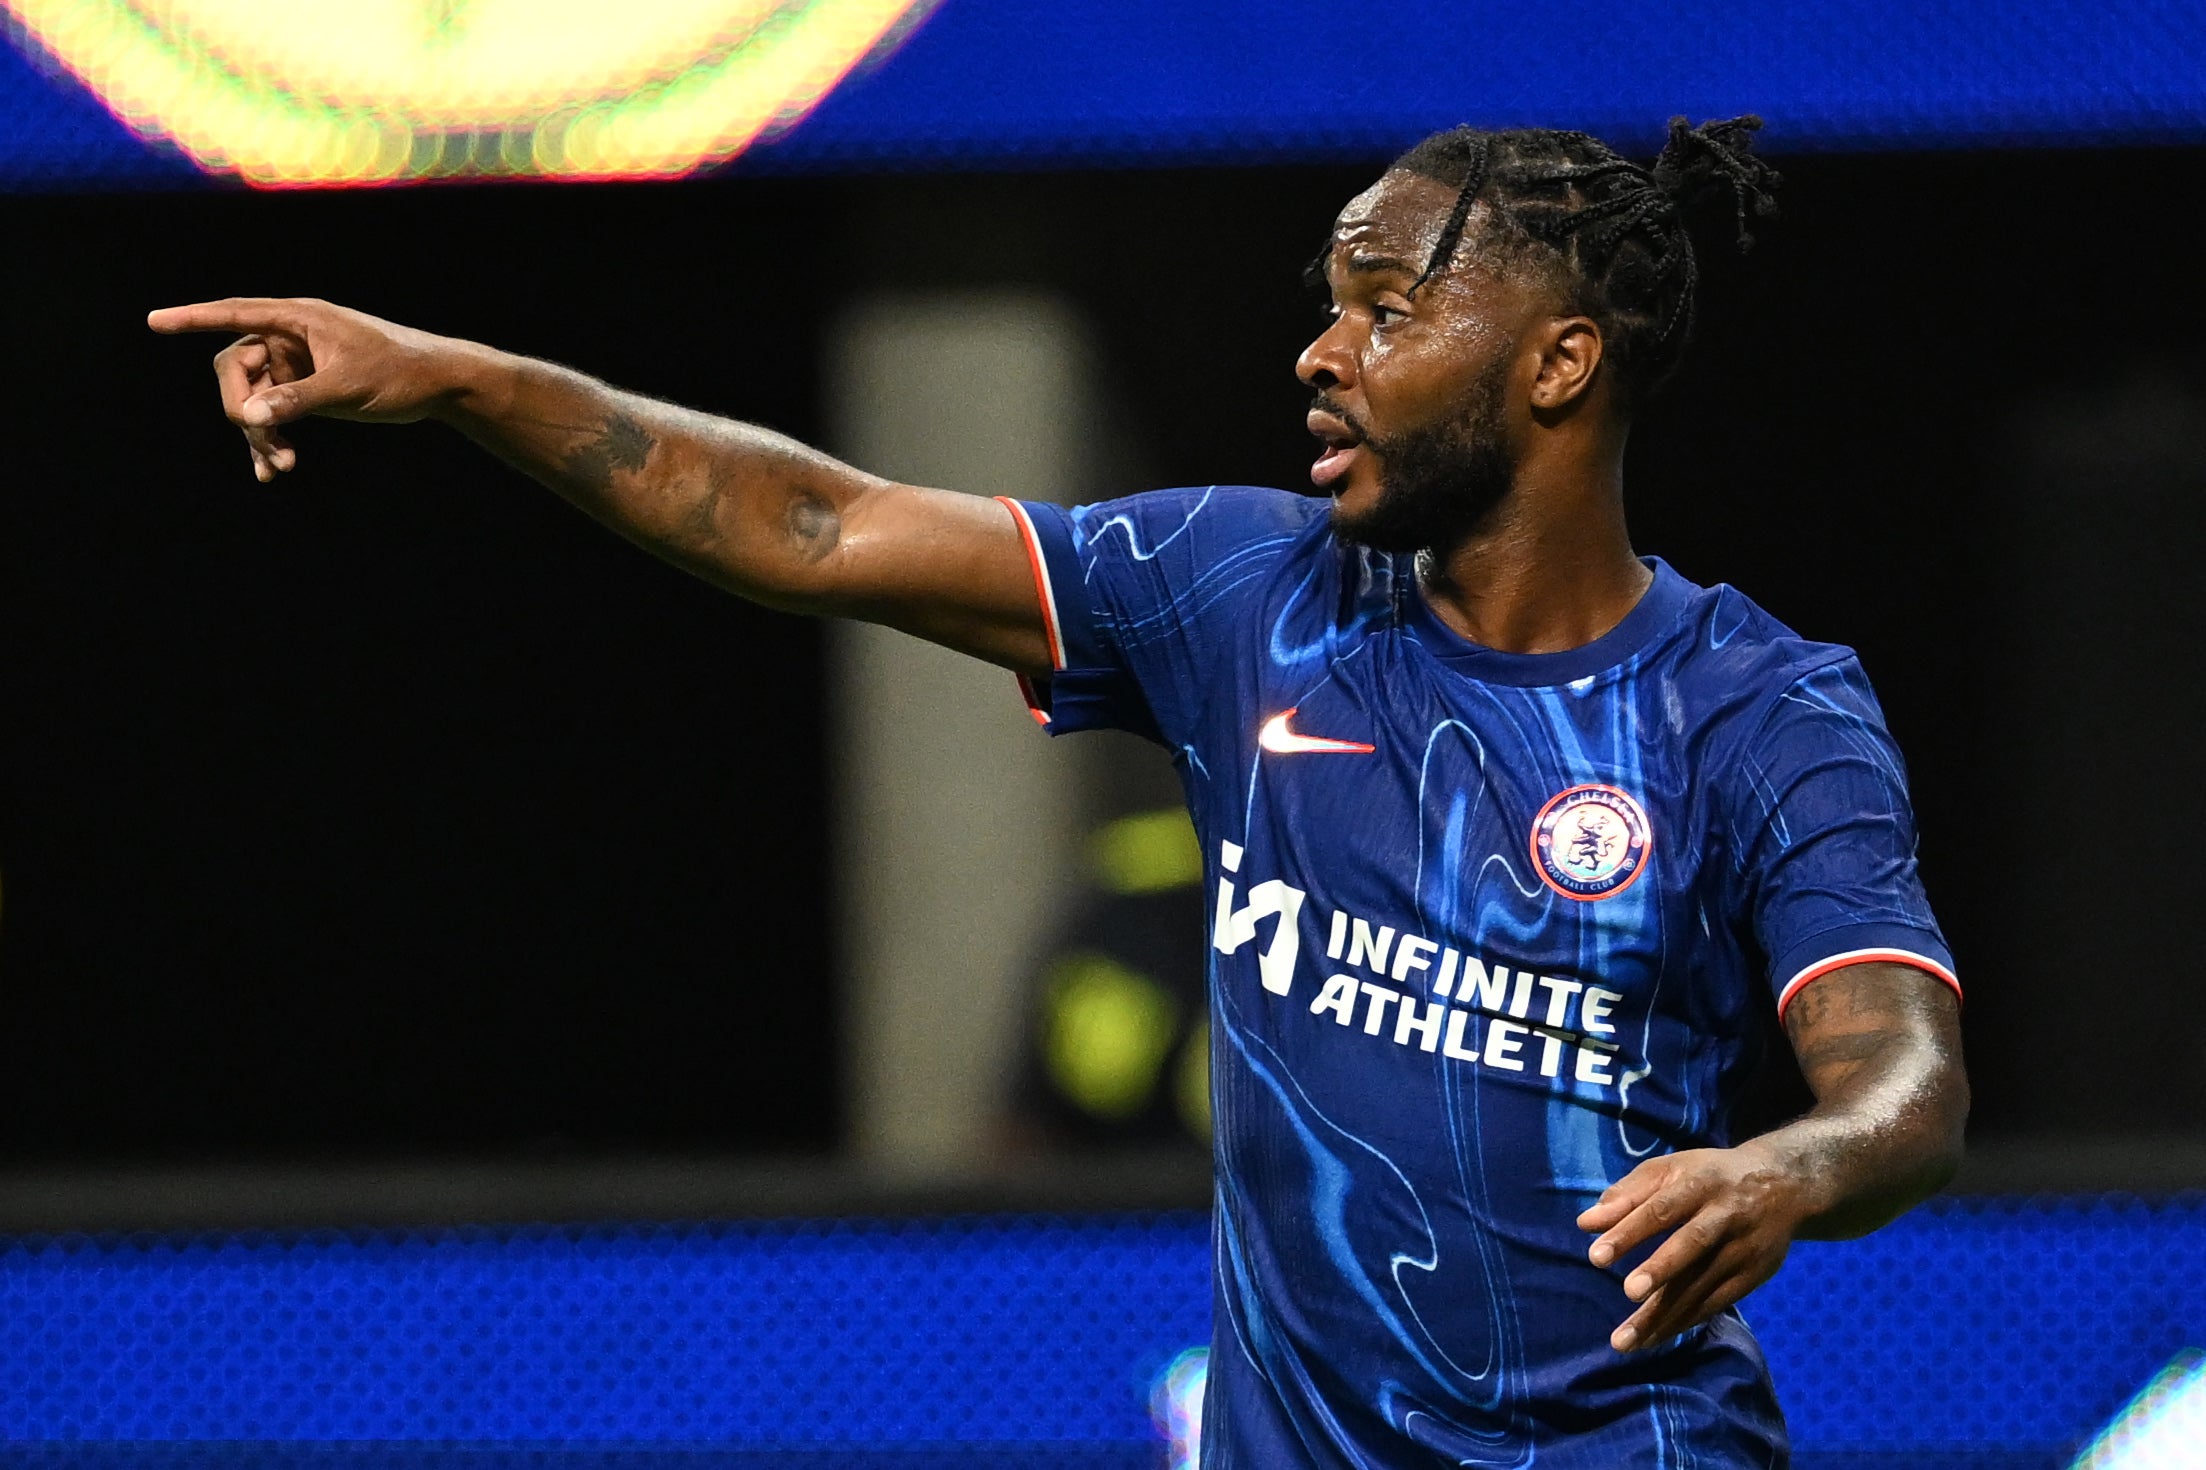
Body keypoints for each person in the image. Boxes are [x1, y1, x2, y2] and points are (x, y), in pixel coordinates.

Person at [149, 115, 1968, 1467]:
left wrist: (1793, 1164)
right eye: (1322, 307)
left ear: (1559, 364)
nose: (1319, 355)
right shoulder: (1242, 595)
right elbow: (817, 522)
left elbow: (1900, 1078)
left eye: (1384, 310)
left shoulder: (1755, 707)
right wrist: (461, 379)